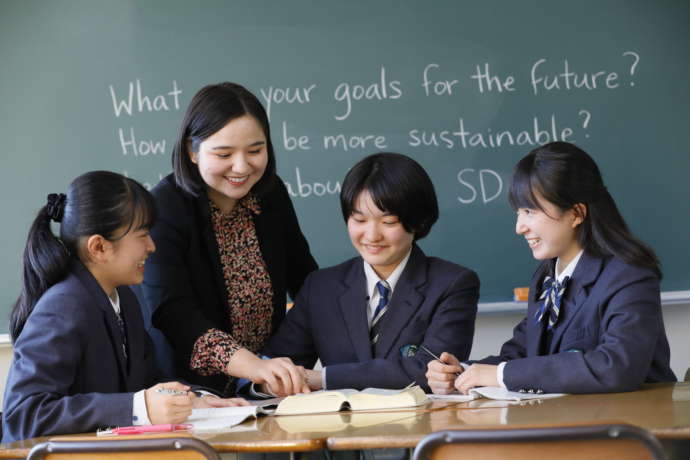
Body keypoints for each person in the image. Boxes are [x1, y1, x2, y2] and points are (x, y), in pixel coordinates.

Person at [2, 171, 246, 442]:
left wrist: (195, 399)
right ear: (99, 247)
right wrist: (136, 408)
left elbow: (148, 380)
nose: (152, 246)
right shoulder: (61, 308)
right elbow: (23, 416)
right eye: (142, 235)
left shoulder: (125, 299)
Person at [426, 142, 676, 395]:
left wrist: (500, 375)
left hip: (634, 424)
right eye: (518, 213)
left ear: (576, 213)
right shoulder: (547, 276)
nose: (519, 227)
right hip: (571, 421)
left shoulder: (628, 275)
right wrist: (464, 372)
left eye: (530, 211)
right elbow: (523, 352)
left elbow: (617, 367)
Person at [141, 82, 317, 397]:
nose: (241, 166)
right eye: (224, 153)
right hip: (191, 393)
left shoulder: (270, 194)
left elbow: (306, 281)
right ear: (191, 152)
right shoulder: (166, 208)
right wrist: (253, 365)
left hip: (268, 385)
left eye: (255, 151)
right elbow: (173, 312)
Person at [261, 153, 479, 391]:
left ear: (418, 222)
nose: (372, 235)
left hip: (423, 422)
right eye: (359, 220)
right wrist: (268, 382)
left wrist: (322, 378)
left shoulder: (452, 283)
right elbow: (275, 365)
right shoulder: (321, 287)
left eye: (388, 222)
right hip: (339, 424)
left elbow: (433, 371)